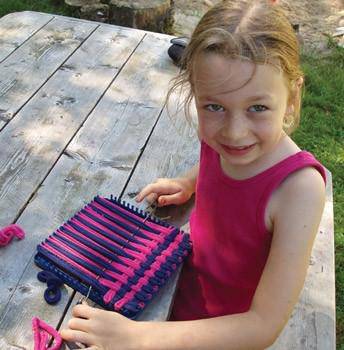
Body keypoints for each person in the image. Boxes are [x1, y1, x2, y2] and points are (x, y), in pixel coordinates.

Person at [60, 1, 326, 348]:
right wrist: (189, 182)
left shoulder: (299, 190)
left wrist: (137, 337)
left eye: (257, 108)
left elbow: (261, 327)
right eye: (214, 107)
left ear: (292, 97)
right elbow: (215, 161)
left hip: (219, 335)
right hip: (170, 288)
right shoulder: (222, 143)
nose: (234, 133)